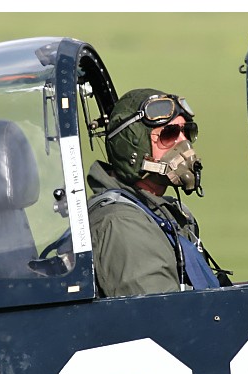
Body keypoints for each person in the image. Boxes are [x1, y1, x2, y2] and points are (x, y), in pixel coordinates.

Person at [87, 88, 229, 298]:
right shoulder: (123, 224)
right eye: (169, 134)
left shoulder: (162, 212)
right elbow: (162, 312)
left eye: (186, 132)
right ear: (133, 149)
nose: (184, 144)